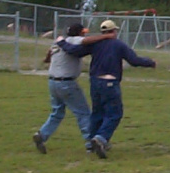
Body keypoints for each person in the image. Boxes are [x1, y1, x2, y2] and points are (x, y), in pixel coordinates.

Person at [56, 19, 156, 159]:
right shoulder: (118, 44)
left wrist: (61, 42)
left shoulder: (95, 44)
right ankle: (101, 138)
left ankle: (91, 144)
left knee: (97, 113)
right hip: (110, 82)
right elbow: (134, 60)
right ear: (114, 31)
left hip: (95, 82)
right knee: (114, 113)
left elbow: (74, 51)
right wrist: (150, 62)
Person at [32, 23, 114, 154]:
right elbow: (87, 40)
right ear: (79, 33)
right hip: (67, 83)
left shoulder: (58, 42)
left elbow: (48, 56)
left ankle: (42, 134)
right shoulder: (74, 40)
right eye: (83, 32)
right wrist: (106, 36)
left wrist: (49, 59)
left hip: (53, 82)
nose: (85, 34)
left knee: (57, 113)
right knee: (83, 113)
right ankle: (91, 143)